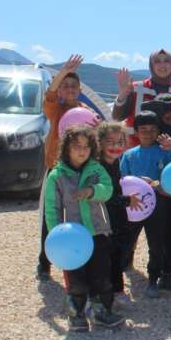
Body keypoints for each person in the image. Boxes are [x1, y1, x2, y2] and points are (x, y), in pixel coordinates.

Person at [43, 126, 123, 331]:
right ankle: (76, 314)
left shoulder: (96, 169)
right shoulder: (56, 175)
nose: (82, 151)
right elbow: (52, 208)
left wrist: (91, 191)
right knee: (76, 278)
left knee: (102, 275)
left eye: (87, 147)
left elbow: (108, 190)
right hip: (71, 239)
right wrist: (56, 236)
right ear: (66, 149)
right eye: (77, 146)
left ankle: (102, 312)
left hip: (97, 232)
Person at [37, 54, 97, 281]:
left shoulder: (86, 111)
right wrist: (62, 71)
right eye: (66, 86)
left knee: (79, 215)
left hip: (79, 171)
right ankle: (44, 262)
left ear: (79, 89)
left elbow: (95, 136)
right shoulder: (56, 109)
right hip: (56, 169)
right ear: (61, 90)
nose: (70, 89)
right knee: (50, 216)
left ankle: (78, 255)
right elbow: (49, 95)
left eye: (74, 85)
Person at [119, 111, 171, 298]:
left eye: (153, 130)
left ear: (159, 131)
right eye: (143, 129)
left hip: (158, 205)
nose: (148, 133)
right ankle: (115, 280)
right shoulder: (129, 155)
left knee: (156, 243)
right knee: (126, 241)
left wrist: (154, 182)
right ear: (136, 132)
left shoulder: (165, 151)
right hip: (133, 205)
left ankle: (154, 279)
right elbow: (121, 179)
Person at [97, 122, 142, 306]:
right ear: (99, 143)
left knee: (119, 255)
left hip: (118, 219)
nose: (115, 147)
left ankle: (117, 291)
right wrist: (126, 200)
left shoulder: (115, 162)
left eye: (120, 142)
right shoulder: (98, 166)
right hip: (104, 220)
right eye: (110, 142)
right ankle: (107, 295)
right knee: (107, 258)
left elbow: (118, 185)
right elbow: (105, 196)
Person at [113, 49, 171, 145]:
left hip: (168, 150)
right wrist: (123, 94)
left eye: (166, 61)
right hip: (136, 148)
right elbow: (117, 117)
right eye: (157, 61)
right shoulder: (135, 88)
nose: (162, 65)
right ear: (151, 66)